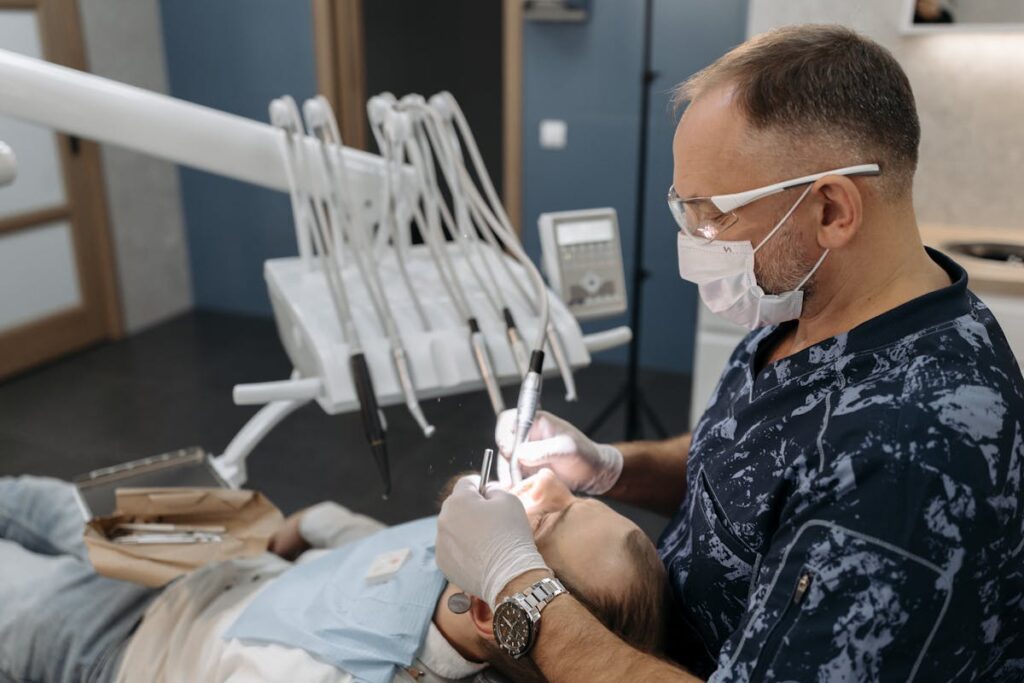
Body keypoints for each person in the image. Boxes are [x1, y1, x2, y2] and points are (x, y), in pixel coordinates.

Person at [436, 24, 1024, 682]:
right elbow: (751, 461)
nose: (697, 239)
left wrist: (518, 584)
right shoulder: (814, 303)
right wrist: (606, 467)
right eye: (686, 209)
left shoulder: (908, 456)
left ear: (831, 208)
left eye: (714, 214)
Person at [0, 471, 666, 683]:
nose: (543, 482)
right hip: (222, 561)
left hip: (129, 640)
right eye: (573, 496)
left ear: (497, 610)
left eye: (544, 522)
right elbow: (393, 562)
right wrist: (322, 523)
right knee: (45, 497)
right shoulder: (465, 576)